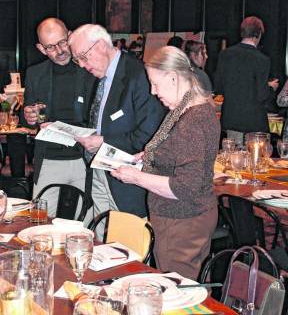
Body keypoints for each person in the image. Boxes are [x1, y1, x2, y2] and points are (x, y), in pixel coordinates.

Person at [111, 46, 220, 279]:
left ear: (173, 77)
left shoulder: (192, 119)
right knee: (187, 287)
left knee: (178, 292)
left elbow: (185, 187)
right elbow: (180, 154)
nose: (152, 91)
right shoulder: (190, 107)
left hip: (181, 221)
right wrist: (151, 155)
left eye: (156, 84)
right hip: (187, 219)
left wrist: (135, 177)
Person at [68, 24, 165, 233]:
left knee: (129, 245)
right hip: (99, 171)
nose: (82, 65)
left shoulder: (138, 75)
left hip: (128, 181)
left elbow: (150, 135)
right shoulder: (95, 76)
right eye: (78, 60)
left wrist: (104, 141)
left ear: (101, 45)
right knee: (102, 241)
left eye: (83, 57)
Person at [23, 18, 94, 217]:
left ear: (70, 36)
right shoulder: (35, 74)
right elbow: (28, 112)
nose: (60, 50)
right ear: (41, 48)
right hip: (49, 159)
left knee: (85, 222)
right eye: (51, 47)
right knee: (40, 221)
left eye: (63, 42)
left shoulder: (90, 70)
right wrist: (28, 115)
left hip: (84, 159)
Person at [214, 16, 279, 146]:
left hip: (231, 120)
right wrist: (271, 87)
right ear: (258, 34)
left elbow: (219, 88)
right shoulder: (262, 60)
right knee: (255, 162)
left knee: (233, 160)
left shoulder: (225, 55)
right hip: (254, 123)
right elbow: (262, 95)